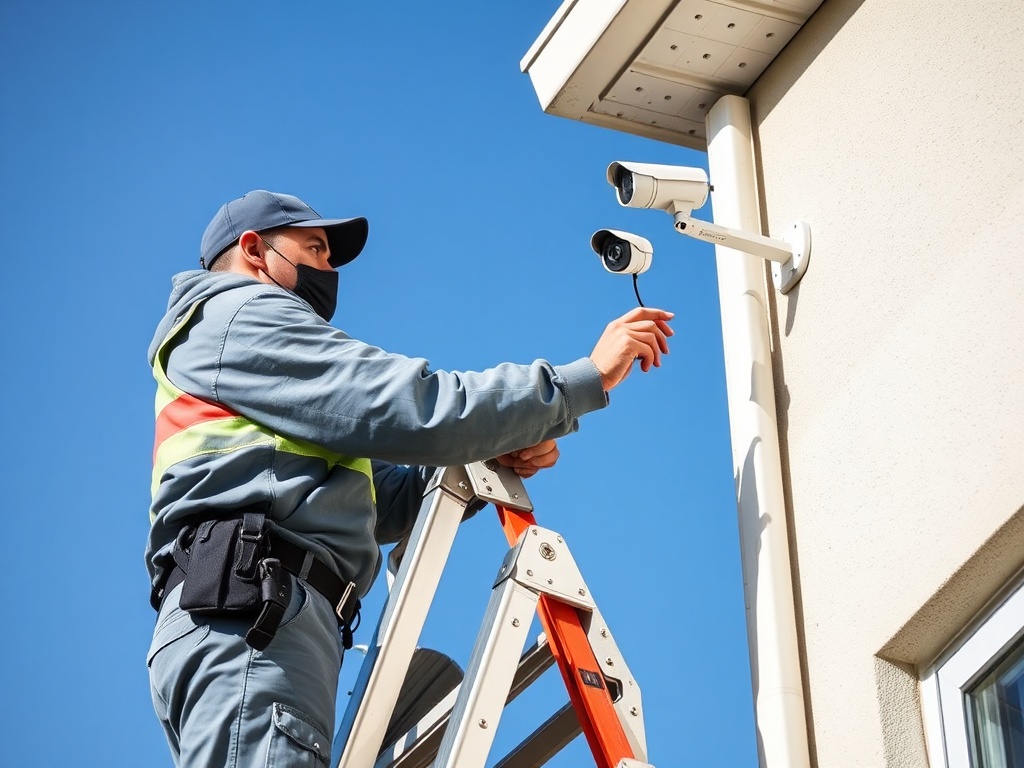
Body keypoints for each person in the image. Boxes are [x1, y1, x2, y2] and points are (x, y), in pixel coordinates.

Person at [146, 189, 673, 767]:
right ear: (252, 249)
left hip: (268, 613)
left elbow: (385, 501)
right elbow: (406, 404)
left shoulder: (265, 369)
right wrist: (581, 380)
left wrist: (495, 450)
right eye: (315, 248)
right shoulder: (242, 314)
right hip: (257, 612)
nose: (329, 268)